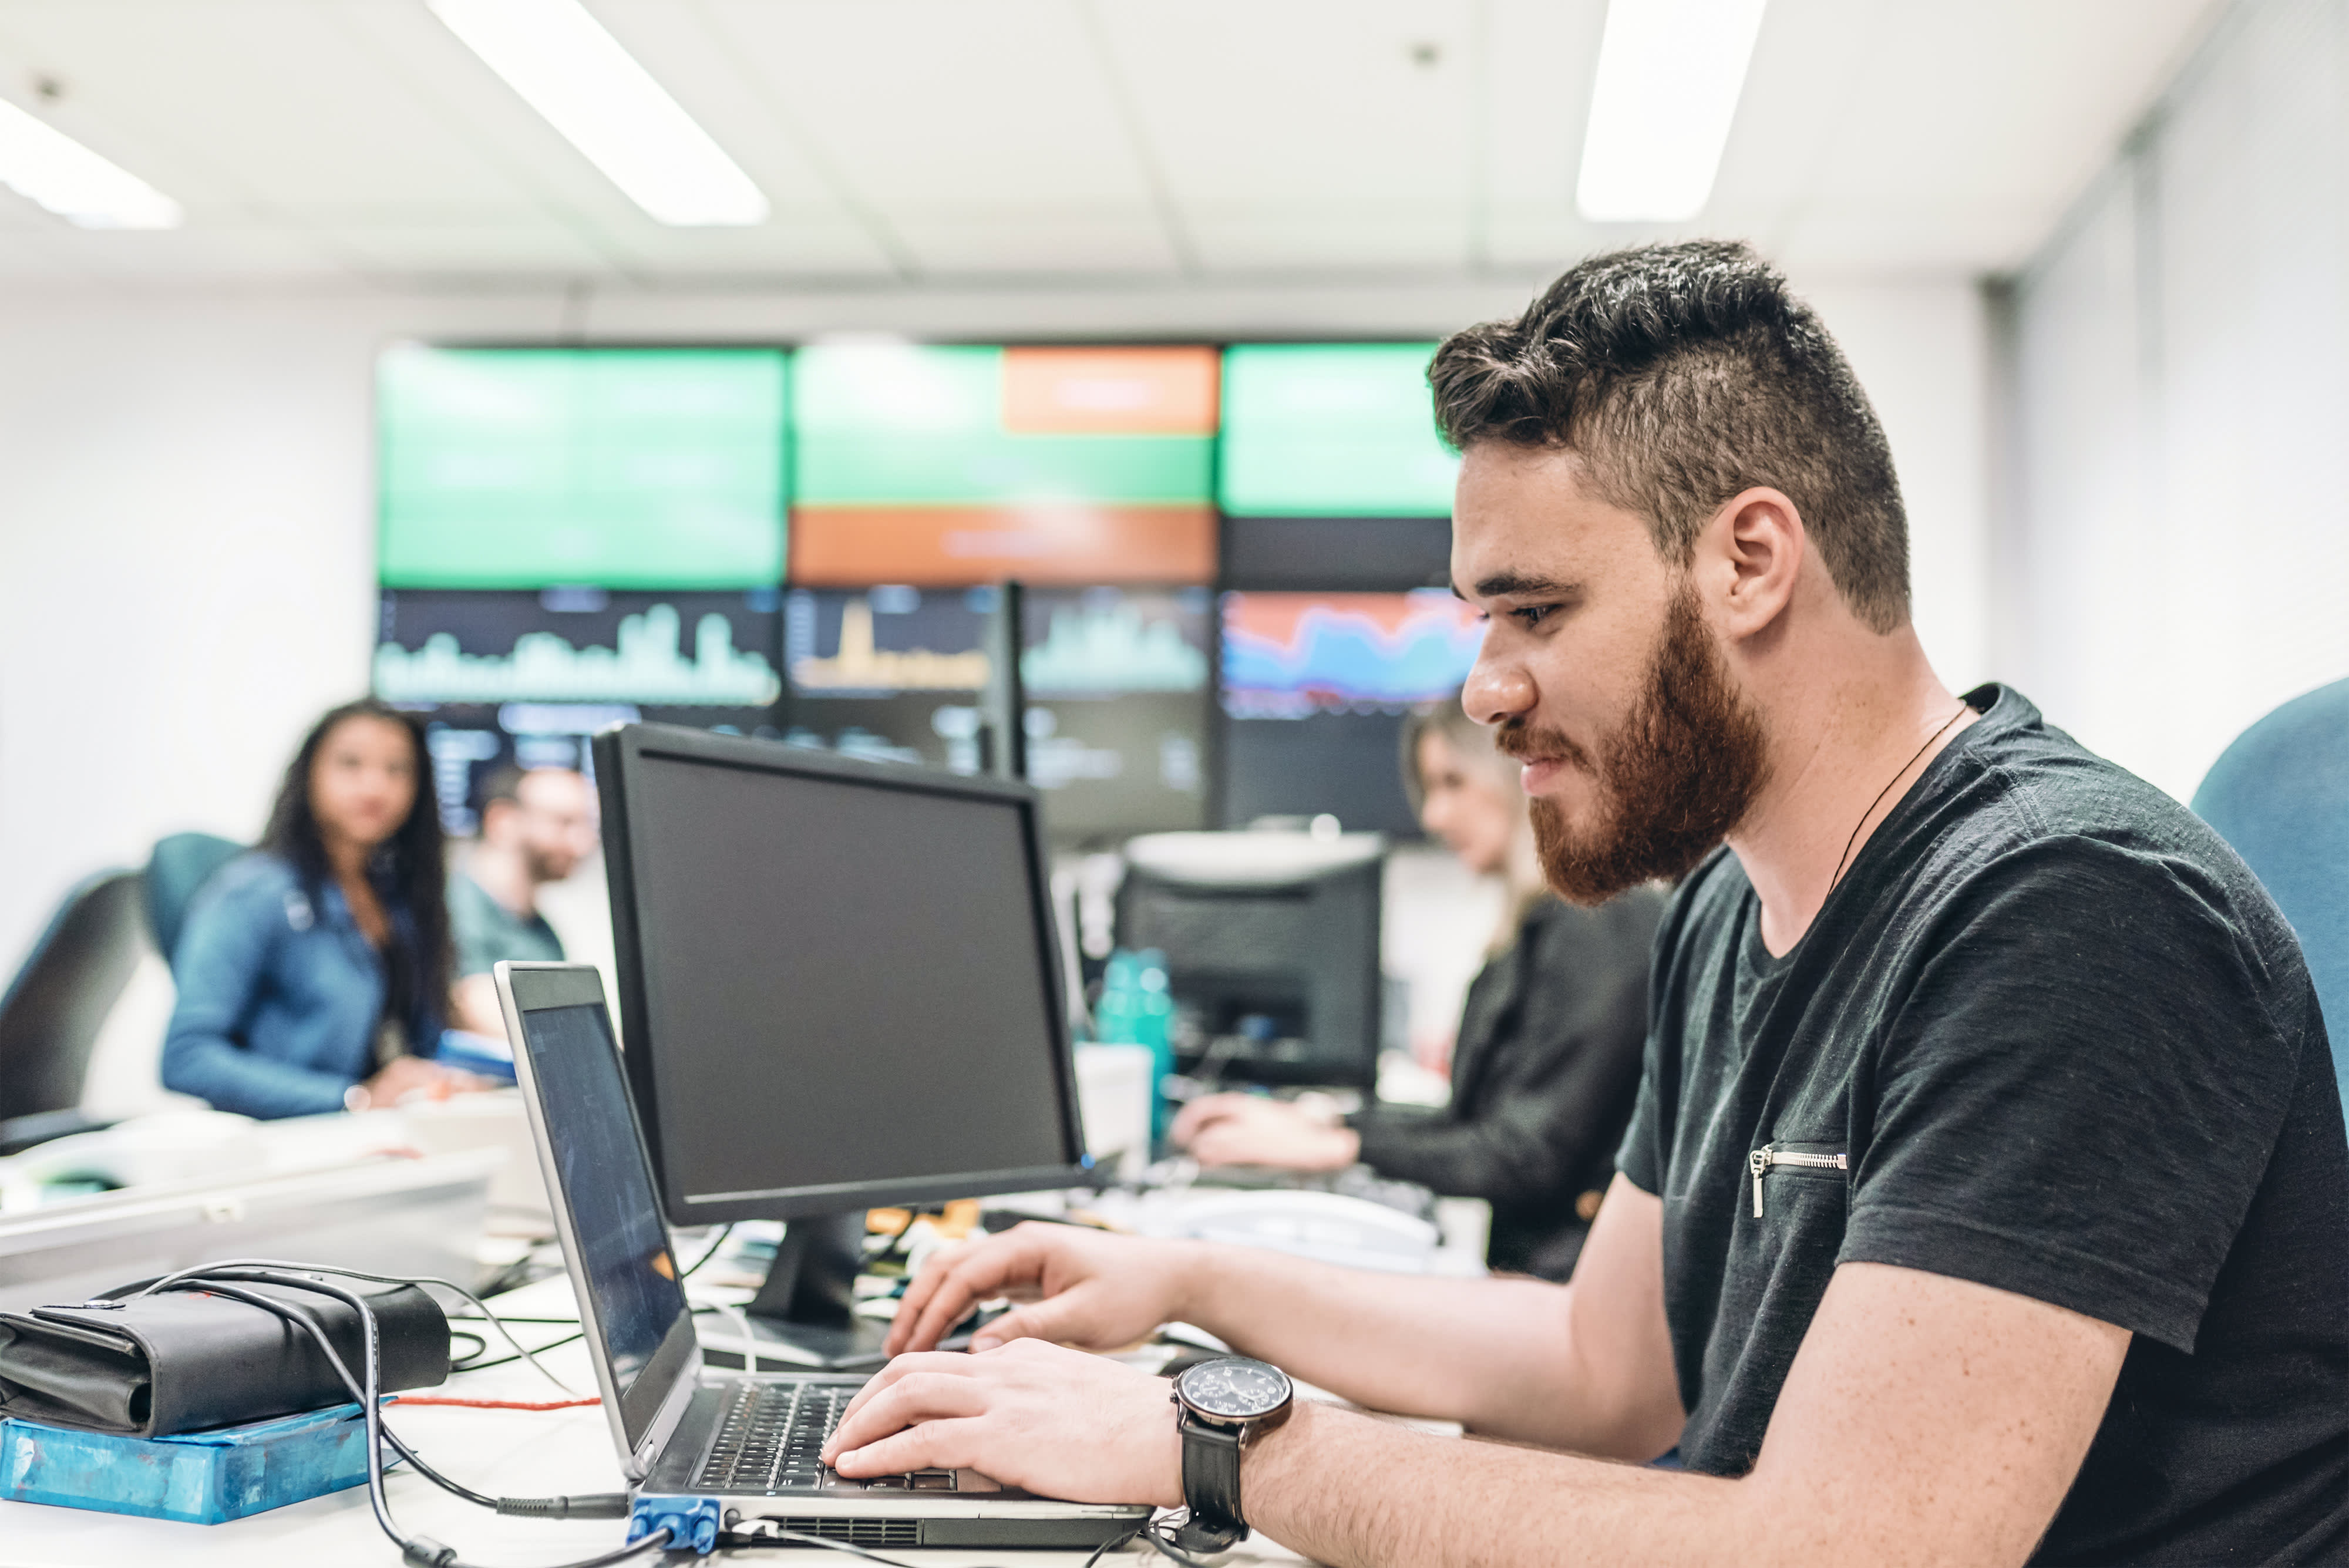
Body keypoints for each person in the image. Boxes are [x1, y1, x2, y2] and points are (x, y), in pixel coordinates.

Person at [815, 243, 2349, 1566]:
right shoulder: (1729, 912)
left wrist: (1212, 1443)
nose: (1485, 688)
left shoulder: (2068, 909)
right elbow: (1604, 1369)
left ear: (1749, 557)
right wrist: (1195, 1280)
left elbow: (1849, 1548)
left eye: (1534, 611)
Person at [1172, 700, 1663, 1279]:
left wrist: (1342, 1148)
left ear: (1517, 773)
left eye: (1453, 782)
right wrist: (1322, 1125)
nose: (1433, 815)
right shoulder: (1537, 927)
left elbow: (1527, 1154)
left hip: (1568, 1294)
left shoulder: (1598, 921)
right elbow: (1469, 1123)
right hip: (1533, 1279)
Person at [161, 699, 486, 1118]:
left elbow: (421, 1040)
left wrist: (453, 1079)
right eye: (351, 764)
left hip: (372, 1134)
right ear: (309, 774)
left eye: (397, 769)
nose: (375, 787)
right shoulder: (254, 893)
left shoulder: (400, 901)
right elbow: (187, 1058)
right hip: (290, 1138)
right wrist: (353, 1099)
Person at [447, 763, 599, 1039]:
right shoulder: (454, 907)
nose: (584, 843)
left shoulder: (542, 931)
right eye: (563, 822)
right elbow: (480, 1013)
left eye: (587, 824)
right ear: (502, 821)